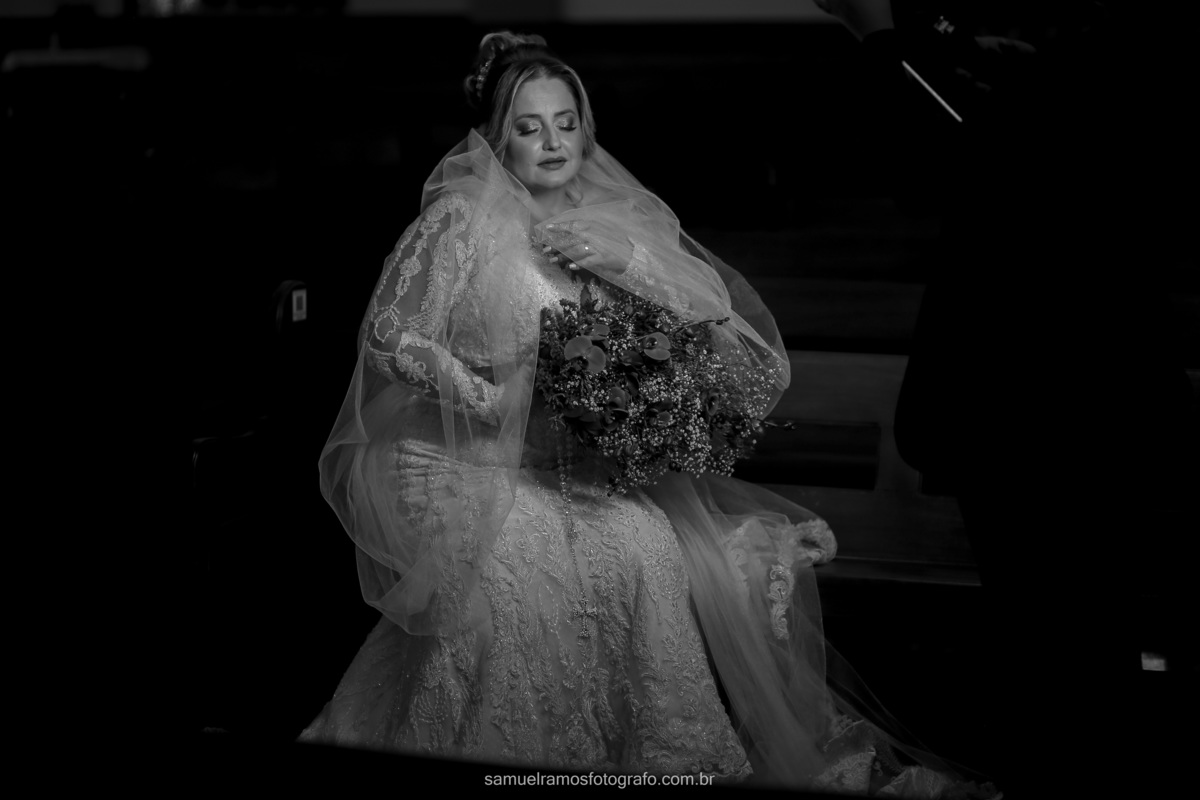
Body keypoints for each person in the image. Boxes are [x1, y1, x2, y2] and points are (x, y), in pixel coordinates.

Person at [299, 31, 1000, 795]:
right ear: (500, 139)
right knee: (516, 575)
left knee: (643, 547)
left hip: (567, 469)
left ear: (585, 130)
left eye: (566, 123)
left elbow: (712, 317)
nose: (552, 142)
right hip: (465, 460)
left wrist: (618, 262)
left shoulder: (606, 220)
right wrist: (486, 397)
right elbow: (388, 333)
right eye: (529, 128)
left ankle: (650, 767)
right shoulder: (462, 221)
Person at [815, 1, 1198, 795]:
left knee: (1066, 647)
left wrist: (880, 38)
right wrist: (921, 43)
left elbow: (953, 162)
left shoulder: (1104, 72)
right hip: (1055, 391)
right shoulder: (1073, 70)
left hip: (1051, 391)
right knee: (1059, 641)